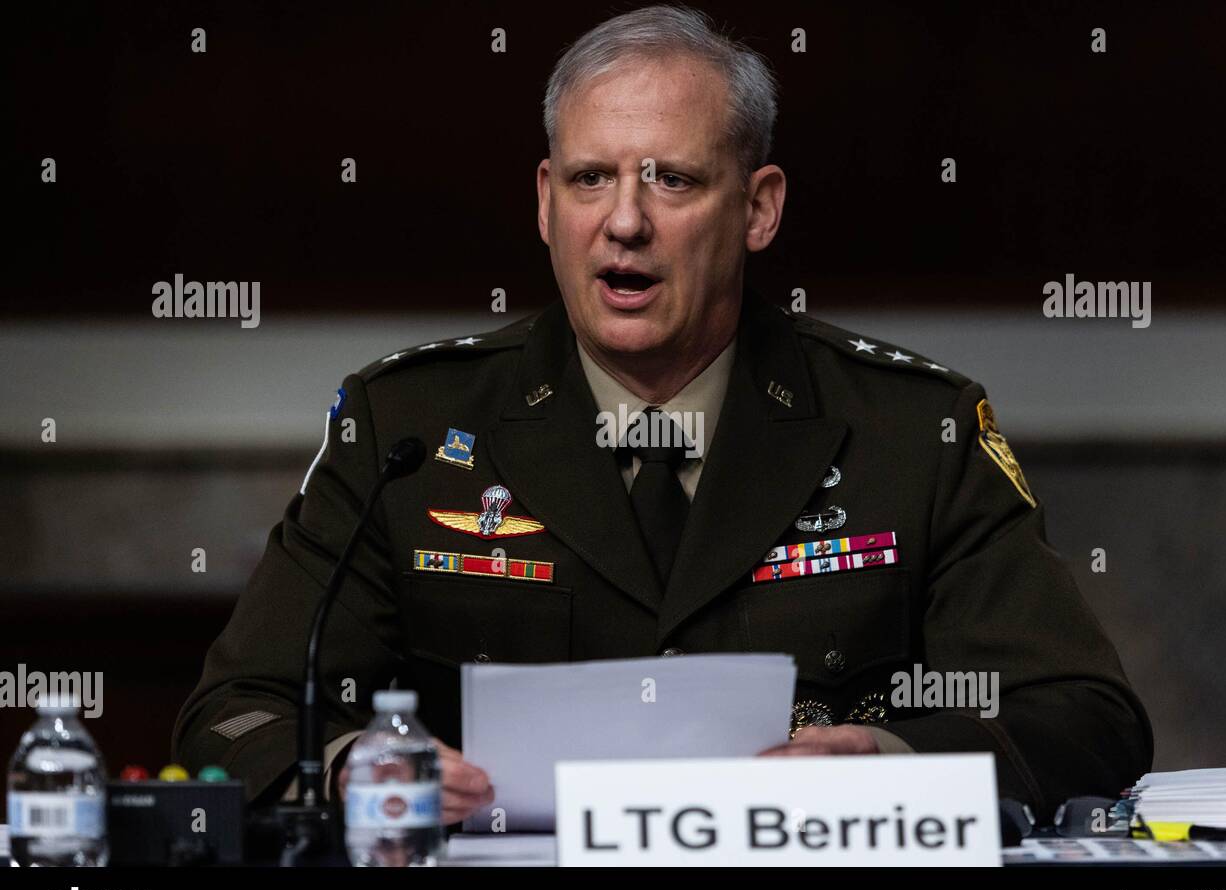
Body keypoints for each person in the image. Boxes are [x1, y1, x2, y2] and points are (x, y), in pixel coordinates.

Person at [174, 5, 1152, 825]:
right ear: (546, 202)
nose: (625, 221)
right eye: (591, 178)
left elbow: (1084, 717)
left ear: (759, 209)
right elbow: (236, 715)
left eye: (671, 179)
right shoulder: (406, 429)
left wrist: (894, 758)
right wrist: (353, 768)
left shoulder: (912, 429)